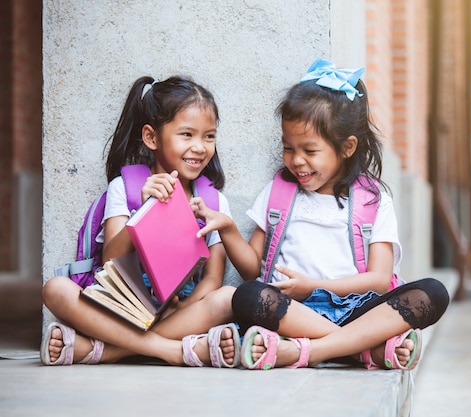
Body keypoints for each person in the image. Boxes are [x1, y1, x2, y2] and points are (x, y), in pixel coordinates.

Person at [194, 59, 450, 370]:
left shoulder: (373, 199)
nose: (296, 161)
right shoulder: (279, 193)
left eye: (310, 151)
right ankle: (362, 349)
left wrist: (314, 286)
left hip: (358, 308)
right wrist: (229, 230)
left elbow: (380, 280)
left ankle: (306, 351)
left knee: (432, 293)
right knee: (247, 296)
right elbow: (252, 271)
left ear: (347, 147)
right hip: (295, 311)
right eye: (288, 148)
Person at [41, 75, 238, 367]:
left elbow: (212, 279)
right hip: (122, 305)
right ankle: (173, 351)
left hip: (179, 310)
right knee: (55, 289)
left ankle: (103, 351)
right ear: (151, 137)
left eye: (208, 136)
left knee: (227, 298)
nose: (200, 147)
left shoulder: (213, 201)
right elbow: (111, 259)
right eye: (187, 134)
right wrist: (146, 209)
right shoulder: (126, 188)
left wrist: (181, 308)